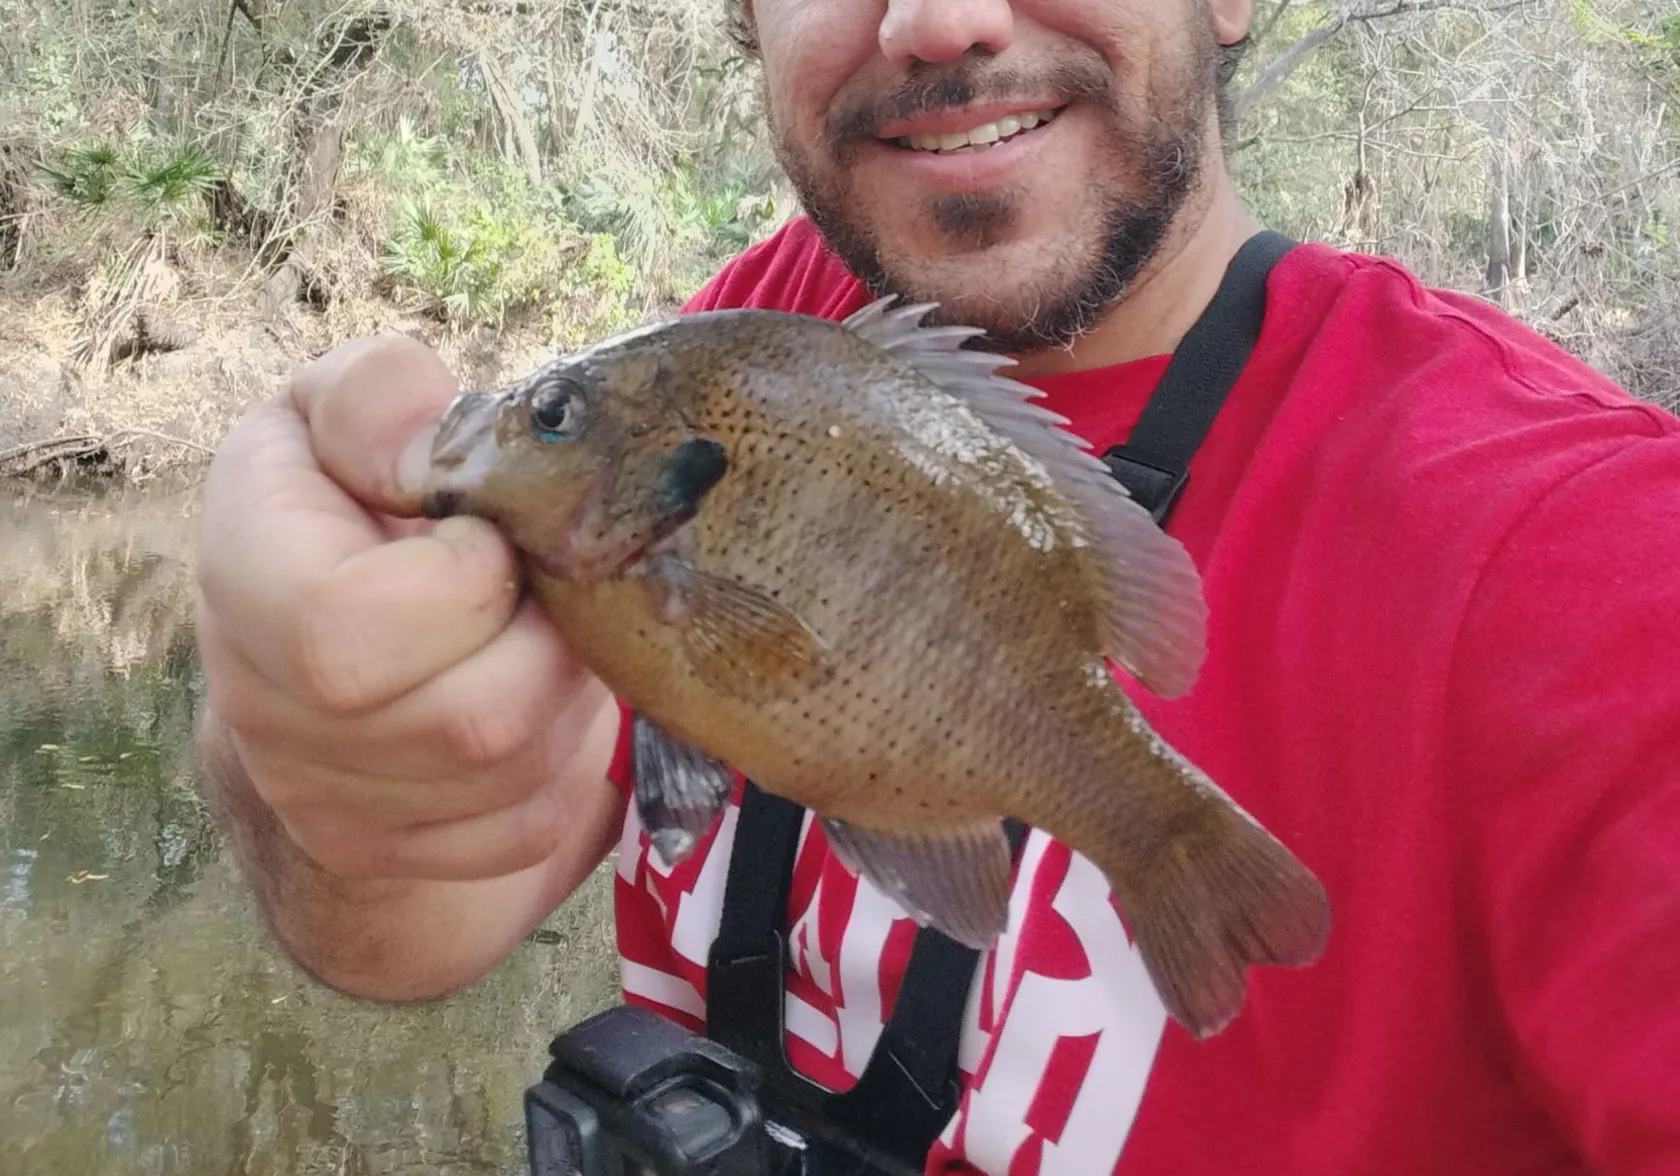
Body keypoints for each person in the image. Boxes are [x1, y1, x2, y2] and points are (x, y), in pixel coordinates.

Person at [191, 0, 1680, 1172]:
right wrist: (288, 733)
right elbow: (392, 932)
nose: (944, 18)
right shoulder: (763, 335)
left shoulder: (1593, 562)